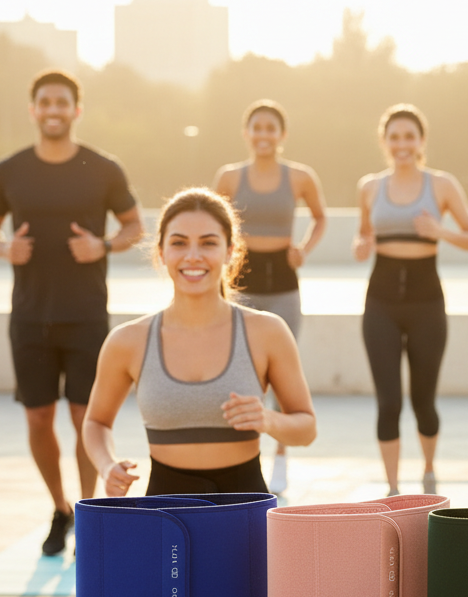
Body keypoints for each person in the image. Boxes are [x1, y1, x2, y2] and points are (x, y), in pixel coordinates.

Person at [0, 69, 143, 556]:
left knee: (83, 417)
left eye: (62, 103)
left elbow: (135, 224)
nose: (53, 110)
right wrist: (3, 248)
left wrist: (105, 244)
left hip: (87, 315)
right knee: (37, 419)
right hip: (29, 317)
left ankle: (88, 511)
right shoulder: (9, 170)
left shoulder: (103, 168)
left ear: (76, 109)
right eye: (44, 103)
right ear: (34, 110)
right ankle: (60, 508)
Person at [82, 188, 316, 497]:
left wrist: (268, 419)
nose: (193, 256)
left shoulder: (267, 331)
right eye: (179, 243)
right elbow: (96, 422)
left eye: (208, 243)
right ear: (161, 252)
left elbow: (306, 428)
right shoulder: (128, 341)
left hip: (244, 511)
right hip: (166, 513)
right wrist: (106, 464)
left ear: (231, 251)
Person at [353, 105, 468, 496]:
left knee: (423, 400)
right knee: (388, 401)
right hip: (380, 302)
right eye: (395, 137)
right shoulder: (370, 187)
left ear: (421, 141)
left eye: (409, 136)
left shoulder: (441, 184)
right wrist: (362, 245)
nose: (402, 144)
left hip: (426, 303)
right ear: (385, 141)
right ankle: (392, 489)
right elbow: (362, 237)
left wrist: (438, 230)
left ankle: (427, 470)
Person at [213, 100, 326, 494]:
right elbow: (212, 223)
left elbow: (320, 216)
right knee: (237, 372)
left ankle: (281, 458)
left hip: (283, 283)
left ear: (282, 135)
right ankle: (242, 456)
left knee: (281, 377)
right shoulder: (229, 177)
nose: (263, 136)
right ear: (246, 133)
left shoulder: (299, 177)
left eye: (271, 129)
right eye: (256, 128)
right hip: (240, 282)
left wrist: (304, 249)